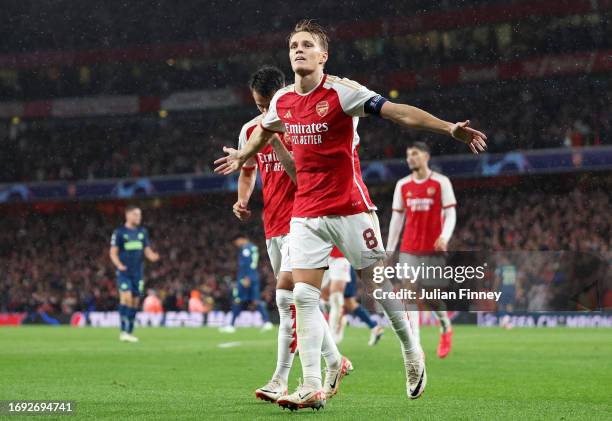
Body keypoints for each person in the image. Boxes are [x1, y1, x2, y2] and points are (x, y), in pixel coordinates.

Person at [214, 19, 486, 410]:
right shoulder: (283, 101)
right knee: (303, 297)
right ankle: (310, 386)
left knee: (378, 289)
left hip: (349, 207)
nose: (299, 50)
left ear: (323, 55)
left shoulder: (343, 92)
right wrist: (244, 153)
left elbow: (398, 113)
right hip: (306, 211)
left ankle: (411, 351)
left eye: (307, 45)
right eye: (293, 45)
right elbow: (265, 130)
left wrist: (448, 128)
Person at [231, 66, 351, 403]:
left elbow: (304, 178)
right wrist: (242, 199)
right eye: (258, 107)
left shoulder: (302, 126)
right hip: (273, 223)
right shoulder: (249, 130)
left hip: (306, 221)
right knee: (300, 301)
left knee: (287, 300)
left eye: (268, 104)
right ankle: (334, 360)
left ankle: (280, 379)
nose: (264, 112)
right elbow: (248, 167)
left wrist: (274, 137)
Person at [386, 142, 457, 358]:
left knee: (431, 297)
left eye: (414, 154)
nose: (410, 158)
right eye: (408, 154)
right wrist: (390, 249)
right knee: (408, 292)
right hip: (409, 248)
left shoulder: (441, 182)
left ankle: (445, 326)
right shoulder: (402, 185)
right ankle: (415, 345)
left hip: (433, 249)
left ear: (426, 156)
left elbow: (451, 214)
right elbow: (397, 220)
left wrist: (444, 237)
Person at [109, 205, 160, 342]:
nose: (139, 217)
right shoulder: (119, 232)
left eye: (140, 215)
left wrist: (153, 256)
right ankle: (123, 331)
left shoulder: (142, 232)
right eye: (136, 215)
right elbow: (113, 253)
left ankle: (130, 332)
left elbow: (147, 251)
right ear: (128, 215)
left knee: (135, 302)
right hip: (124, 272)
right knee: (126, 298)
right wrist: (119, 265)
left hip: (138, 274)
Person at [321, 246, 383, 345]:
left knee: (340, 298)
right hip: (327, 258)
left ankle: (335, 329)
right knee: (344, 301)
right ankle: (374, 327)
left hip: (341, 259)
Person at [220, 234, 273, 333]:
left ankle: (231, 325)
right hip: (253, 277)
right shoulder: (253, 248)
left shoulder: (246, 249)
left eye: (237, 241)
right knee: (255, 300)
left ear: (242, 239)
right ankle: (267, 323)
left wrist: (246, 277)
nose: (236, 244)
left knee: (238, 300)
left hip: (246, 278)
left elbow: (248, 264)